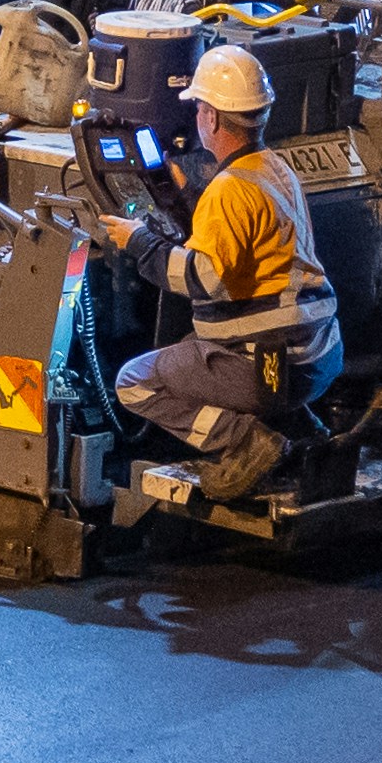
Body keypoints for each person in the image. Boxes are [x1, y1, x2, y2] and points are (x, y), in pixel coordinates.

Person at [114, 38, 338, 516]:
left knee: (134, 381)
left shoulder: (228, 192)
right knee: (197, 344)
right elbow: (247, 242)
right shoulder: (274, 169)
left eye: (198, 107)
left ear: (213, 117)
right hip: (315, 357)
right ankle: (299, 430)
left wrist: (138, 241)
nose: (196, 116)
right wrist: (191, 195)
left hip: (269, 368)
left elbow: (200, 280)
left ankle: (247, 443)